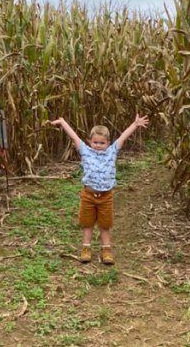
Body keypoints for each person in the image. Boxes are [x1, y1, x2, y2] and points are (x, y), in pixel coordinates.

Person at [50, 114, 149, 265]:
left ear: (108, 143)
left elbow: (123, 137)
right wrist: (63, 122)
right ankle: (86, 248)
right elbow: (74, 136)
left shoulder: (112, 152)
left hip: (105, 196)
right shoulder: (85, 151)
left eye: (102, 142)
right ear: (89, 141)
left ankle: (106, 250)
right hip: (88, 195)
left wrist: (135, 124)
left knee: (105, 225)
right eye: (95, 142)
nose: (98, 145)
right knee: (87, 223)